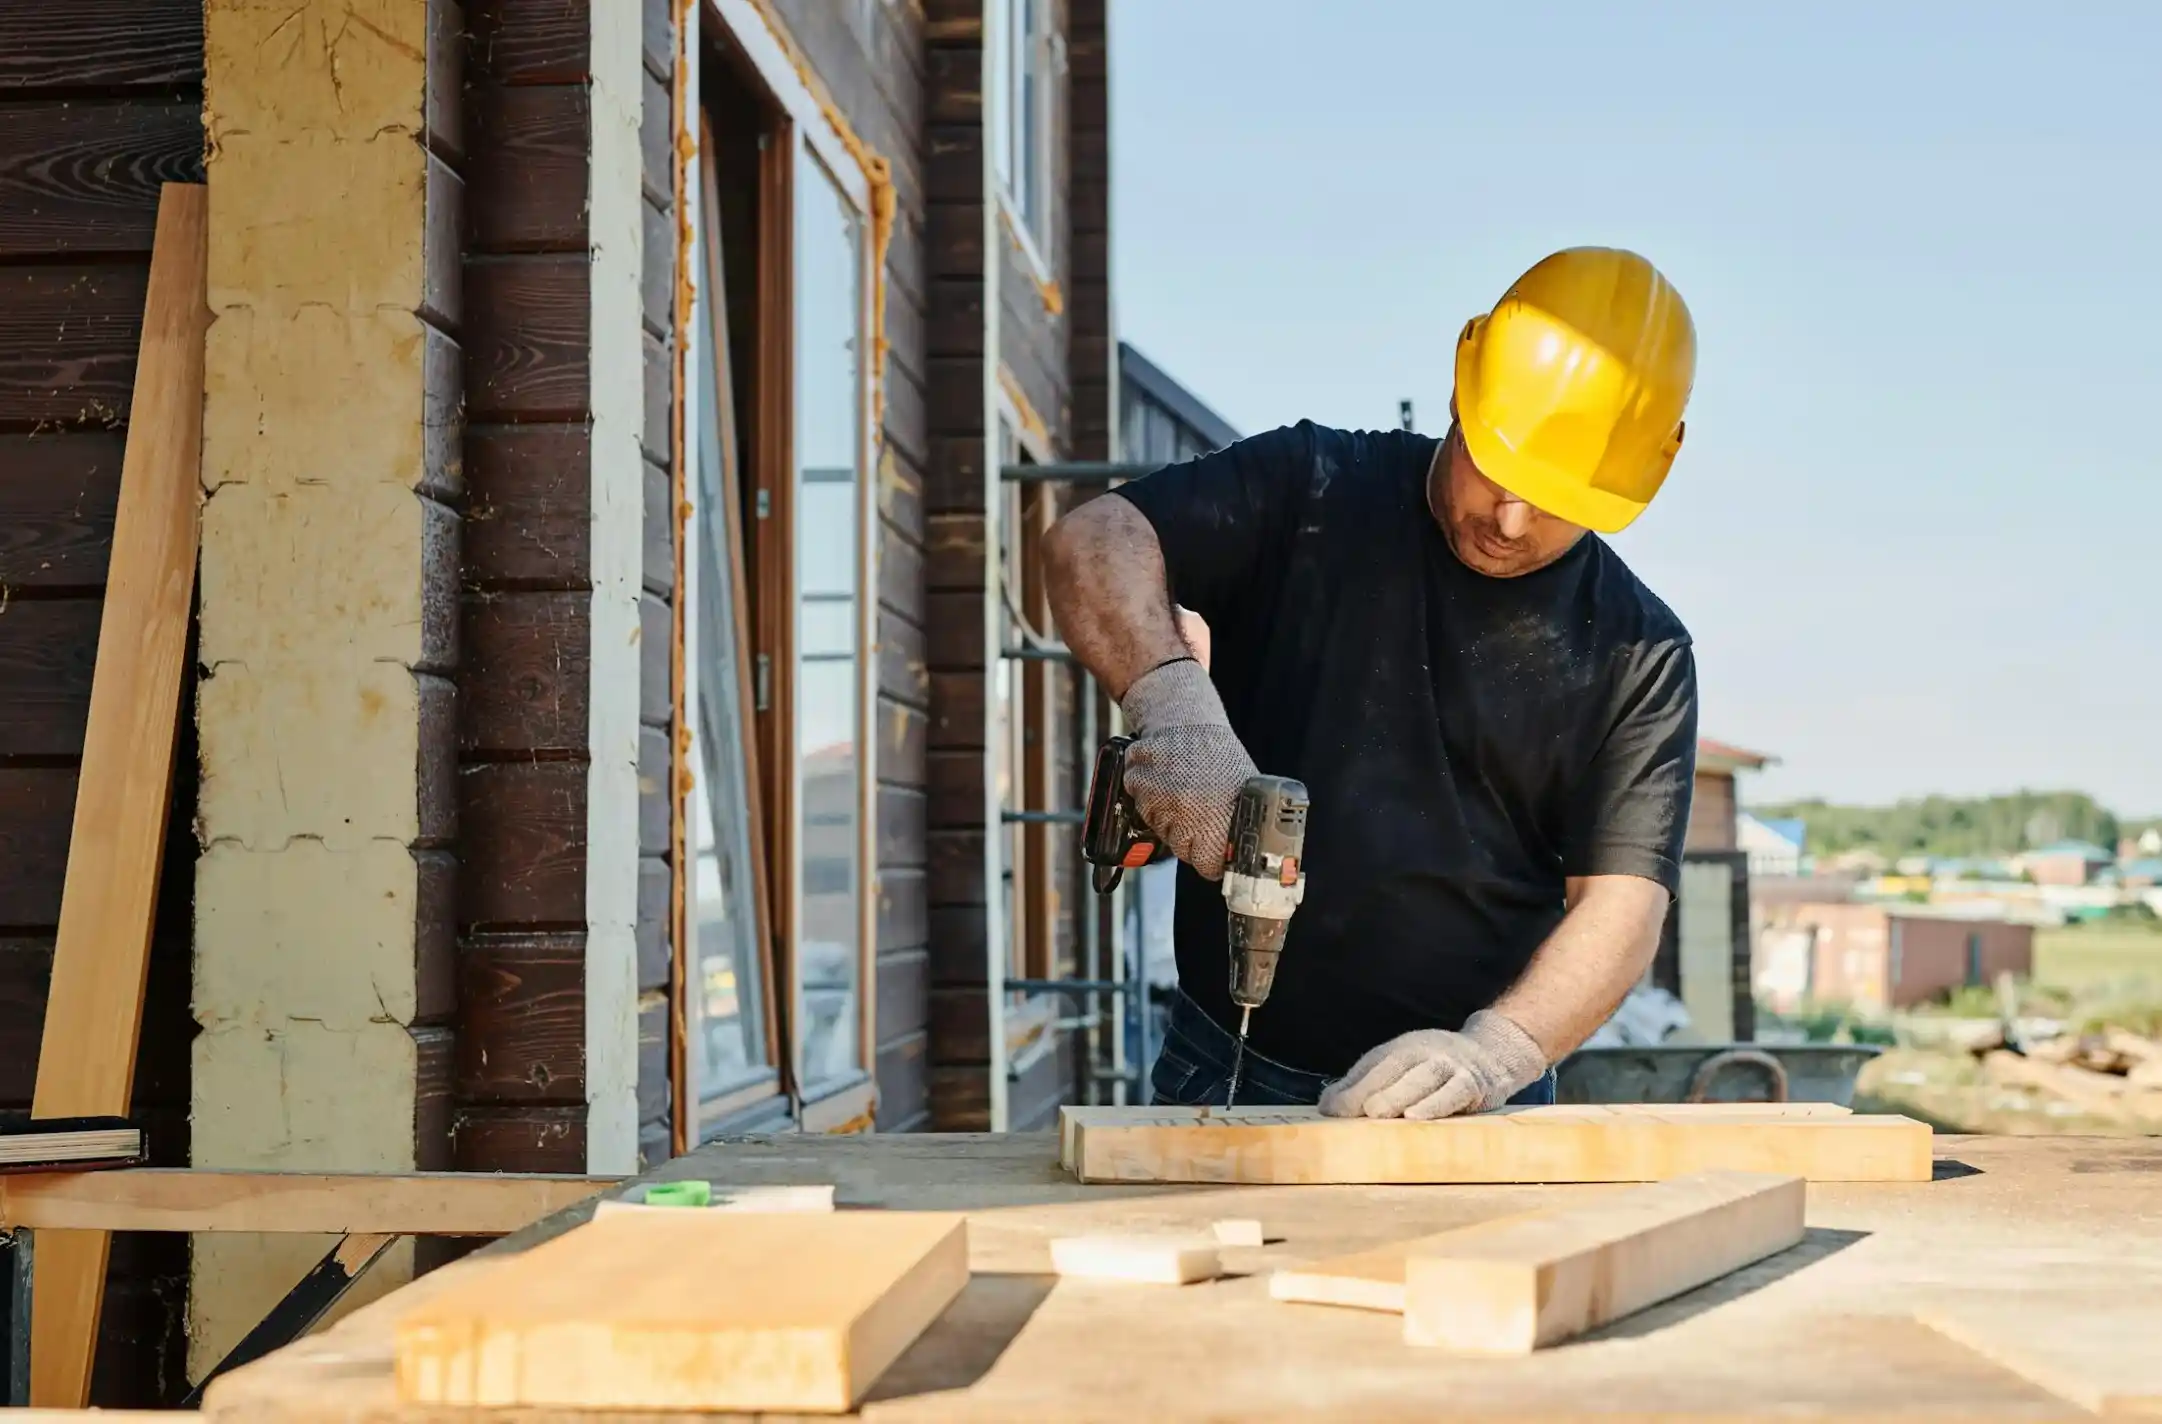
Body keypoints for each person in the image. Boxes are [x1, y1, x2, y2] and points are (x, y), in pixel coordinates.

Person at [1042, 247, 1700, 1120]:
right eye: (1497, 470)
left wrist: (1494, 1054)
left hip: (1469, 1097)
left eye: (1554, 498)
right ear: (1462, 394)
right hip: (1229, 1062)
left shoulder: (1639, 652)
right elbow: (1095, 539)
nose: (1511, 519)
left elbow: (1621, 911)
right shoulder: (1311, 490)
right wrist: (1173, 705)